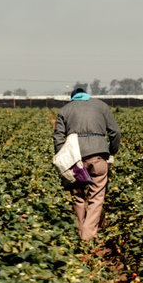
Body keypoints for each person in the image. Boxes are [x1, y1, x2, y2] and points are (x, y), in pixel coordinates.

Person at [53, 86, 121, 240]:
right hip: (98, 157)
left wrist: (63, 157)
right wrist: (112, 152)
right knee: (96, 197)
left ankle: (79, 230)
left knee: (77, 195)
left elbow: (58, 137)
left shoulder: (65, 110)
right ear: (86, 95)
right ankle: (88, 236)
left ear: (73, 98)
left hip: (76, 159)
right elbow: (115, 132)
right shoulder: (101, 106)